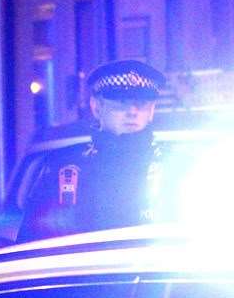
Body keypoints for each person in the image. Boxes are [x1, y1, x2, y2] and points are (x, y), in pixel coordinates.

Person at [20, 59, 169, 242]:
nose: (132, 111)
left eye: (142, 103)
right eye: (121, 102)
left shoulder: (175, 166)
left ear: (152, 110)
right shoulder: (63, 169)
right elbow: (31, 241)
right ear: (97, 108)